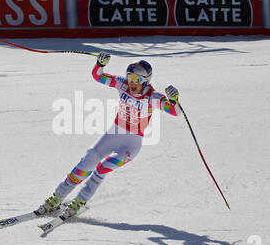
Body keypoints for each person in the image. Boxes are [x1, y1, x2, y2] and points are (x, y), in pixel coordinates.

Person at [37, 52, 181, 216]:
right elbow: (98, 76)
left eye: (137, 79)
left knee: (103, 167)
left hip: (131, 143)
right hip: (113, 133)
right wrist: (100, 64)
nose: (132, 82)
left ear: (146, 80)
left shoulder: (152, 97)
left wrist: (174, 100)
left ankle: (79, 201)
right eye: (130, 77)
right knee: (86, 162)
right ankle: (56, 198)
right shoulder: (122, 84)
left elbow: (175, 111)